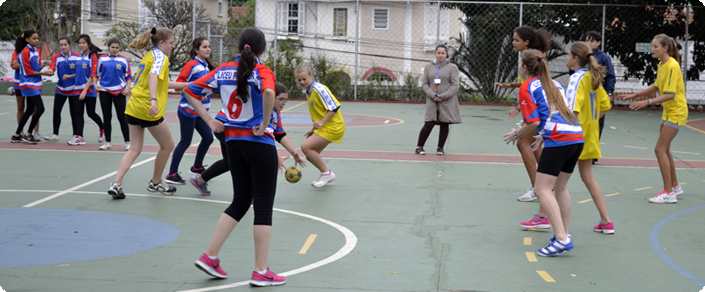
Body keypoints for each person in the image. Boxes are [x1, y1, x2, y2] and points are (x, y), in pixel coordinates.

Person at [183, 27, 287, 286]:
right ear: (262, 49)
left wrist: (209, 120)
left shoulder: (223, 70)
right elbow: (269, 93)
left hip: (233, 143)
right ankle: (261, 271)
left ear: (240, 46)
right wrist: (263, 125)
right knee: (262, 207)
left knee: (240, 201)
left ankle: (210, 256)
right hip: (259, 144)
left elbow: (189, 91)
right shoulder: (263, 71)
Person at [503, 50, 584, 256]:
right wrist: (543, 136)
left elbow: (534, 121)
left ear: (523, 67)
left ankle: (562, 239)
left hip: (560, 140)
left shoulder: (527, 86)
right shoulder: (554, 83)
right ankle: (564, 234)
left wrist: (517, 134)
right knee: (561, 188)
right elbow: (558, 114)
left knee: (541, 190)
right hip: (576, 136)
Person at [106, 27, 185, 199]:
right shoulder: (160, 57)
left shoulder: (149, 55)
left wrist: (186, 85)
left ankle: (116, 183)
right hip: (147, 108)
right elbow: (153, 77)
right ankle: (155, 183)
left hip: (133, 106)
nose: (173, 47)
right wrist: (154, 101)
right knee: (168, 146)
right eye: (171, 43)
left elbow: (162, 83)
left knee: (134, 149)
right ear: (162, 42)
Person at [188, 82, 306, 196]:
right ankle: (252, 195)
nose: (284, 103)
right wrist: (275, 156)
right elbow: (261, 136)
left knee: (230, 162)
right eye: (281, 99)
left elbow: (279, 134)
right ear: (270, 96)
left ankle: (200, 179)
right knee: (249, 158)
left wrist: (294, 153)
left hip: (230, 127)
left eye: (286, 100)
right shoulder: (260, 108)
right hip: (226, 126)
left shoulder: (274, 113)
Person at [620, 34, 687, 204]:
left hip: (677, 111)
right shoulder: (662, 64)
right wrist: (634, 95)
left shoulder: (672, 65)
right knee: (665, 150)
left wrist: (646, 102)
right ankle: (675, 186)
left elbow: (670, 95)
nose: (652, 49)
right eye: (652, 46)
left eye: (655, 46)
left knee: (659, 150)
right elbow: (657, 86)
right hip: (668, 112)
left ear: (665, 48)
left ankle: (668, 193)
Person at [496, 26, 552, 203]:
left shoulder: (528, 59)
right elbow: (531, 85)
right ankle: (546, 183)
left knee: (522, 143)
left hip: (540, 112)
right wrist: (512, 87)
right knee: (534, 144)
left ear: (526, 42)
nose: (513, 42)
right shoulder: (533, 57)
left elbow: (533, 87)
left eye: (516, 40)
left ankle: (538, 187)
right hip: (542, 109)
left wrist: (520, 108)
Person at [565, 41, 614, 233]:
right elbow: (605, 106)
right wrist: (591, 121)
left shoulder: (577, 79)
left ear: (576, 58)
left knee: (553, 181)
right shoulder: (593, 79)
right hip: (590, 136)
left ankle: (544, 218)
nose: (567, 58)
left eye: (568, 55)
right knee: (587, 177)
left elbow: (572, 111)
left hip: (574, 137)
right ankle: (606, 221)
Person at [165, 37, 215, 184]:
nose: (208, 49)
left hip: (201, 111)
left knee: (208, 138)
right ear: (196, 49)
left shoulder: (206, 66)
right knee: (185, 142)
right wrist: (196, 91)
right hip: (188, 110)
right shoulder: (191, 65)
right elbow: (177, 85)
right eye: (204, 47)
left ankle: (197, 167)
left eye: (209, 46)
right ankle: (171, 174)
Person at [295, 64, 346, 188]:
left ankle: (327, 173)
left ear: (311, 76)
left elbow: (334, 107)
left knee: (305, 147)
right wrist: (314, 130)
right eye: (299, 80)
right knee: (311, 154)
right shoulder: (309, 91)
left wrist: (322, 122)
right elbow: (319, 113)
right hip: (325, 127)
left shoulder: (319, 89)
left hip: (334, 127)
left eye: (304, 79)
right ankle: (325, 174)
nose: (302, 82)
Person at [415, 44, 461, 156]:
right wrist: (432, 94)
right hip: (432, 99)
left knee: (444, 123)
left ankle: (440, 148)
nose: (440, 55)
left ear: (446, 54)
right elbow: (425, 83)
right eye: (438, 53)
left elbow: (455, 85)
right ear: (435, 54)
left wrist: (443, 96)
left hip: (446, 100)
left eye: (443, 53)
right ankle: (419, 147)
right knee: (429, 123)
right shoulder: (428, 67)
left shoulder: (452, 67)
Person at [12, 29, 52, 144]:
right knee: (40, 108)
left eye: (37, 38)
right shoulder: (24, 52)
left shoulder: (36, 51)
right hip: (28, 84)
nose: (37, 40)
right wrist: (44, 73)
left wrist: (43, 66)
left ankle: (17, 134)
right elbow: (28, 72)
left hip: (35, 84)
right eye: (34, 39)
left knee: (30, 109)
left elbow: (35, 69)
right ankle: (29, 134)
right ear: (27, 40)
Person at [585, 31, 616, 165]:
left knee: (597, 123)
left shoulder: (603, 57)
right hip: (584, 94)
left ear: (598, 43)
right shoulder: (582, 56)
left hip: (597, 95)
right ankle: (583, 150)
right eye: (587, 40)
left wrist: (608, 92)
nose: (589, 43)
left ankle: (593, 153)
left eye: (592, 41)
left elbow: (610, 76)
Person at [96, 38, 132, 150]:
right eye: (113, 47)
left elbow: (128, 76)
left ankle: (127, 142)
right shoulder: (102, 59)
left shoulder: (123, 60)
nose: (115, 49)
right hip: (104, 91)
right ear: (108, 47)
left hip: (119, 91)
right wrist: (95, 84)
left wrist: (127, 88)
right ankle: (107, 142)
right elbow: (96, 74)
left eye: (117, 48)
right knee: (107, 117)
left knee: (122, 117)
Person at [68, 34, 105, 146]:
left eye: (83, 43)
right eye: (79, 43)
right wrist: (70, 76)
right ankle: (80, 137)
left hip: (88, 90)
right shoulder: (79, 56)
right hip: (77, 89)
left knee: (91, 113)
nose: (81, 45)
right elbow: (80, 73)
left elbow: (92, 75)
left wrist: (84, 91)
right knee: (78, 113)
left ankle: (102, 128)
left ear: (88, 44)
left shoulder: (92, 56)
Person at [43, 36, 80, 142]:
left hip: (73, 90)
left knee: (74, 112)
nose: (63, 47)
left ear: (70, 45)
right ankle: (55, 134)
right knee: (56, 111)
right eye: (61, 45)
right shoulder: (56, 57)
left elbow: (81, 71)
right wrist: (49, 71)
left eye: (65, 45)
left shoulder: (77, 57)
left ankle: (76, 134)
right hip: (60, 89)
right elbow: (52, 69)